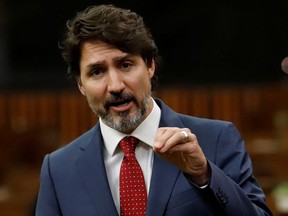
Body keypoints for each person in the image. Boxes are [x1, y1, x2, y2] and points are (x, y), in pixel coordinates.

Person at [36, 4, 272, 216]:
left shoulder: (218, 140)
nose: (116, 86)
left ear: (149, 66)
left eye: (125, 65)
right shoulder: (58, 170)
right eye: (97, 72)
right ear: (80, 84)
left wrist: (204, 175)